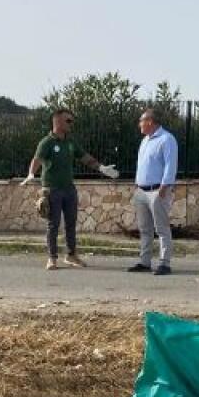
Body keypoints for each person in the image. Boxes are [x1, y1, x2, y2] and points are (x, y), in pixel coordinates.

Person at [22, 108, 119, 270]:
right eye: (68, 121)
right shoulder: (47, 142)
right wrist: (31, 173)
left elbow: (84, 157)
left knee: (71, 223)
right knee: (53, 224)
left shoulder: (70, 142)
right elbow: (37, 158)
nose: (71, 124)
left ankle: (71, 255)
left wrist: (101, 168)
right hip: (52, 189)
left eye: (72, 121)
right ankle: (52, 258)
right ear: (57, 121)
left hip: (69, 189)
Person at [127, 109, 179, 276]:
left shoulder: (166, 139)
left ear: (149, 121)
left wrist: (165, 186)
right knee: (144, 228)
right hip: (141, 190)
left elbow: (170, 164)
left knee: (162, 228)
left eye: (141, 121)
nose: (139, 125)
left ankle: (165, 263)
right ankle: (145, 261)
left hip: (158, 190)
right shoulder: (145, 141)